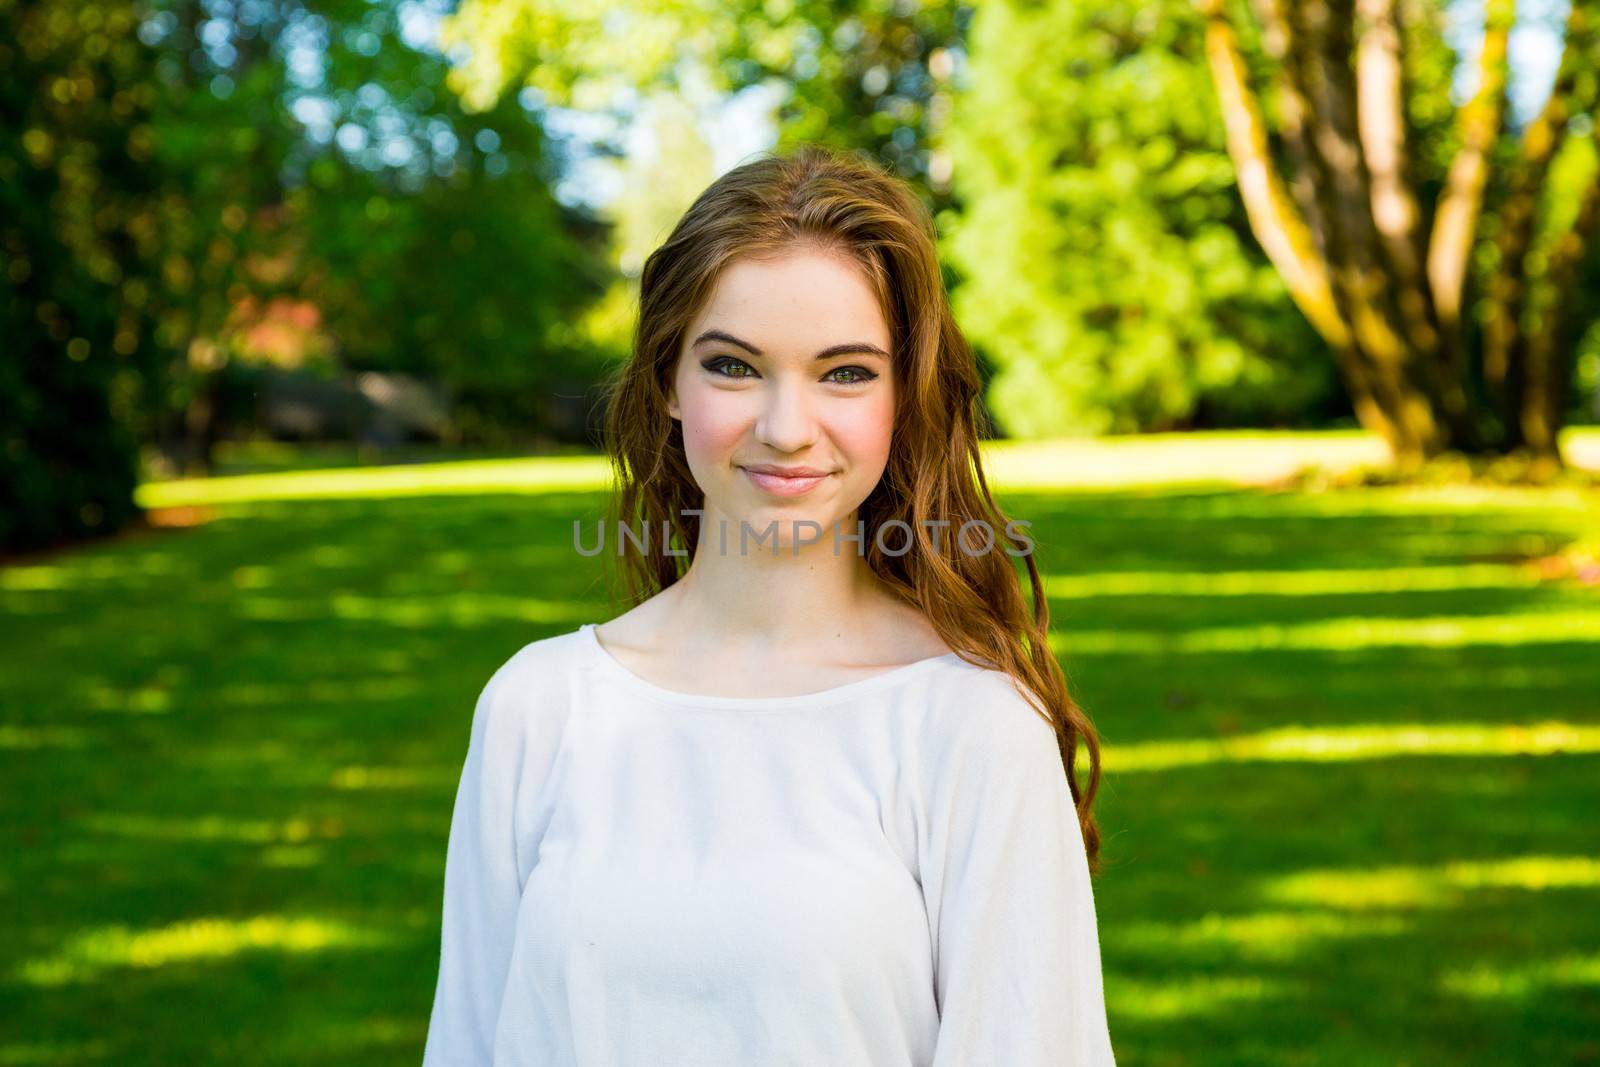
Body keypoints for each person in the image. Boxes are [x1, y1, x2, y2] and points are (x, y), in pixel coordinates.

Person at [422, 143, 1116, 1066]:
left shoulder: (971, 728)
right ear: (669, 379)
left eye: (845, 373)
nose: (787, 429)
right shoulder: (539, 708)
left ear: (904, 397)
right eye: (735, 366)